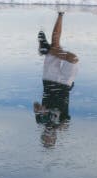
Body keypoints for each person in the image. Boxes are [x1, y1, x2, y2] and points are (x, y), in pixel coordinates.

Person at [34, 12, 78, 148]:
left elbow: (35, 105)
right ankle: (47, 50)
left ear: (42, 135)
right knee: (73, 58)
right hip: (65, 84)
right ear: (55, 138)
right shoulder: (61, 124)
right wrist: (60, 127)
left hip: (49, 81)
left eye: (46, 138)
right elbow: (66, 122)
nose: (49, 136)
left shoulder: (40, 120)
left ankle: (61, 13)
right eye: (51, 139)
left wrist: (39, 109)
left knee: (56, 44)